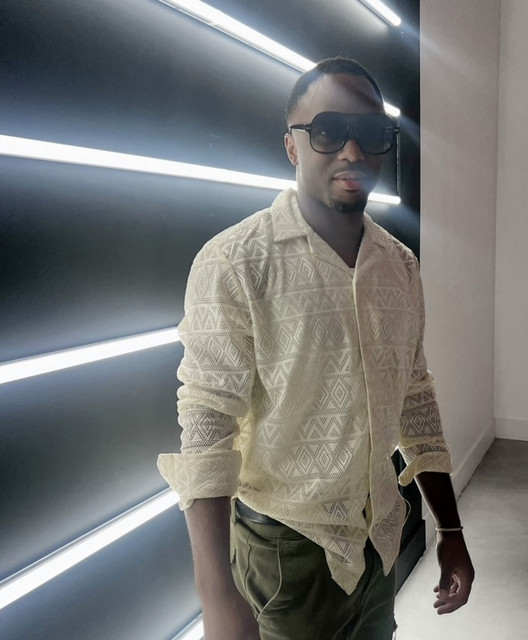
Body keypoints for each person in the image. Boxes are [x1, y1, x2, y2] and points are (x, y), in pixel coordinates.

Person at [158, 57, 474, 640]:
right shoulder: (235, 262)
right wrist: (216, 594)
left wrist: (450, 531)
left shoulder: (400, 266)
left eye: (371, 133)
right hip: (284, 555)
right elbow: (208, 425)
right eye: (328, 130)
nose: (353, 151)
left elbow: (414, 397)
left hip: (380, 538)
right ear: (292, 146)